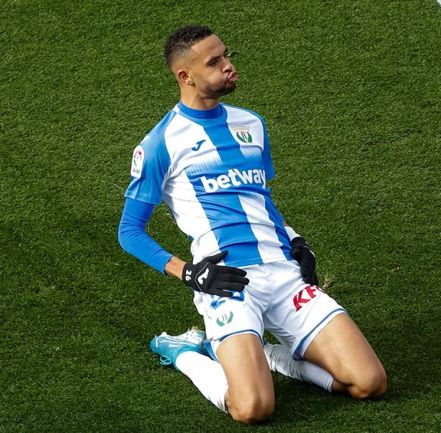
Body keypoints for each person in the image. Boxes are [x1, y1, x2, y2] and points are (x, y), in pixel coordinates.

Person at [117, 25, 386, 424]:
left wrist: (296, 240)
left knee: (369, 383)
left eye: (227, 56)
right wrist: (188, 272)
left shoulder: (251, 125)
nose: (229, 67)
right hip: (228, 284)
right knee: (253, 408)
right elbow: (130, 232)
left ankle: (268, 356)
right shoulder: (162, 143)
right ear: (185, 76)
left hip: (284, 275)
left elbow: (260, 199)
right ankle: (187, 353)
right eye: (215, 62)